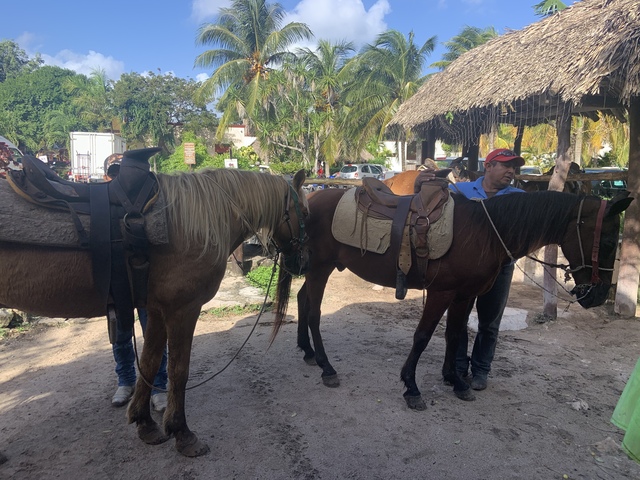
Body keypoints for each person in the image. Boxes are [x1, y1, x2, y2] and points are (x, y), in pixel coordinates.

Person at [447, 148, 525, 391]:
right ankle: (458, 366)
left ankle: (481, 370)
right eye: (505, 165)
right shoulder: (460, 191)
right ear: (488, 166)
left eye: (514, 166)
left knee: (490, 323)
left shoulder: (519, 198)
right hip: (464, 269)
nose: (511, 171)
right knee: (458, 318)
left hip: (500, 269)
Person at [104, 154, 169, 411]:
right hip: (117, 278)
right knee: (120, 334)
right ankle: (126, 380)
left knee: (154, 335)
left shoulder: (155, 203)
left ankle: (158, 384)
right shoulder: (105, 204)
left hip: (148, 279)